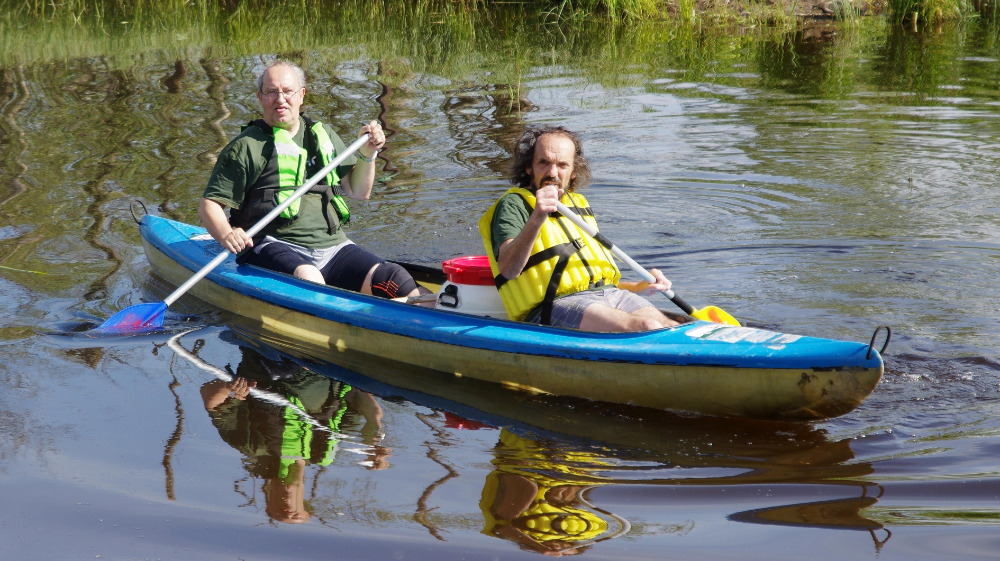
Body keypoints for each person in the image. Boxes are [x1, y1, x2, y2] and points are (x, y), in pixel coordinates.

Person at [199, 60, 430, 302]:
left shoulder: (323, 135)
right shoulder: (246, 146)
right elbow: (209, 206)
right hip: (272, 244)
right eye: (271, 92)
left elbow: (359, 190)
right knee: (309, 278)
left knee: (393, 277)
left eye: (288, 91)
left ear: (301, 96)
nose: (280, 99)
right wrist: (227, 234)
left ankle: (436, 319)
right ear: (260, 97)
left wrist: (368, 152)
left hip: (333, 247)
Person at [478, 126, 681, 332]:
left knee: (670, 326)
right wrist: (537, 217)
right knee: (646, 326)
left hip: (609, 295)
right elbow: (508, 269)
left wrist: (639, 287)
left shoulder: (578, 204)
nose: (552, 173)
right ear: (529, 167)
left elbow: (590, 281)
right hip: (553, 306)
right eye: (544, 162)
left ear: (574, 171)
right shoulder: (513, 204)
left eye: (562, 165)